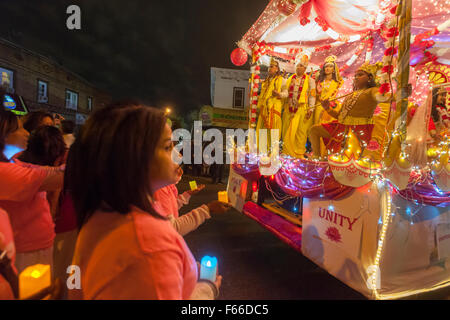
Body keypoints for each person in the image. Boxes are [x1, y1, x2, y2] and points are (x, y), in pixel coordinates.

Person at [67, 102, 222, 299]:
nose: (177, 154)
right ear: (135, 157)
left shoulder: (103, 212)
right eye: (168, 146)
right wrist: (206, 289)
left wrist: (181, 266)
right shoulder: (149, 244)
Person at [0, 110, 64, 274]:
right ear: (3, 135)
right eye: (19, 129)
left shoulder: (14, 161)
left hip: (35, 245)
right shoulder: (4, 171)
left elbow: (47, 171)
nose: (27, 133)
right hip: (24, 251)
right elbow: (57, 176)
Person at [309, 62, 390, 159]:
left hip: (357, 130)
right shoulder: (351, 95)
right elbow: (339, 115)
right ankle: (317, 158)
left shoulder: (372, 91)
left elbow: (383, 97)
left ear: (369, 78)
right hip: (341, 126)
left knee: (347, 159)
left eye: (360, 75)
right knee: (314, 130)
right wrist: (327, 108)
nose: (356, 77)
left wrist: (401, 94)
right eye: (355, 75)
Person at [280, 54, 316, 158]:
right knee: (287, 131)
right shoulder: (290, 78)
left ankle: (298, 154)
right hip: (289, 109)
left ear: (305, 68)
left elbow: (312, 96)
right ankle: (287, 153)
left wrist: (311, 109)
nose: (298, 67)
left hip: (302, 109)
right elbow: (285, 92)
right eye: (297, 65)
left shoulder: (310, 80)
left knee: (300, 132)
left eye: (300, 65)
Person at [313, 55, 343, 157]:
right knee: (318, 128)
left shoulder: (338, 82)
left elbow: (339, 94)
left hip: (332, 107)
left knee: (329, 130)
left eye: (330, 66)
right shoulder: (319, 81)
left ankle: (328, 153)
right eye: (326, 66)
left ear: (334, 69)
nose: (327, 68)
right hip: (319, 106)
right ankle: (318, 153)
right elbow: (315, 95)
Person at [256, 58, 284, 150]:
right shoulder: (266, 81)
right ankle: (262, 153)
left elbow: (286, 93)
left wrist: (279, 94)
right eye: (269, 67)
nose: (269, 69)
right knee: (261, 133)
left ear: (277, 69)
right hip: (264, 110)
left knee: (273, 133)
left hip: (274, 109)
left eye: (272, 67)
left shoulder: (281, 80)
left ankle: (273, 153)